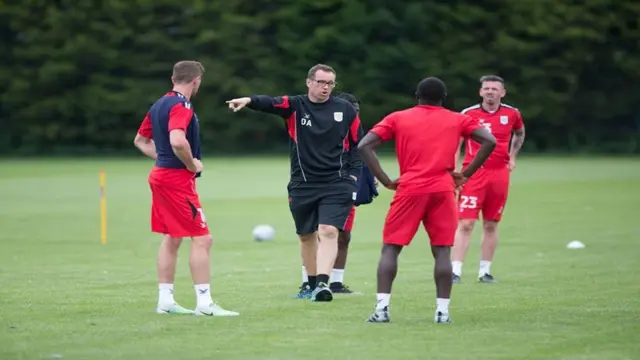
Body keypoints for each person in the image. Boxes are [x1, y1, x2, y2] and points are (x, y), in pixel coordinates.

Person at [357, 77, 496, 324]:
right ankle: (442, 312)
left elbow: (365, 145)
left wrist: (386, 179)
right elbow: (489, 140)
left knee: (391, 248)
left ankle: (382, 310)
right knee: (442, 250)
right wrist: (466, 175)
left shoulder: (398, 117)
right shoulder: (458, 118)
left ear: (417, 95)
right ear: (444, 97)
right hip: (443, 189)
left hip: (409, 188)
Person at [226, 64, 364, 302]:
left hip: (337, 182)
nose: (326, 87)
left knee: (328, 231)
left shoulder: (345, 110)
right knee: (306, 235)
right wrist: (249, 100)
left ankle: (323, 284)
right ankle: (310, 285)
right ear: (309, 82)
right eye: (321, 82)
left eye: (330, 83)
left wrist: (352, 177)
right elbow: (270, 103)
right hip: (303, 183)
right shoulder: (296, 106)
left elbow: (358, 146)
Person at [133, 60, 239, 316]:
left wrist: (164, 160)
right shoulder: (182, 105)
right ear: (196, 81)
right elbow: (177, 140)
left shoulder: (159, 103)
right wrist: (192, 165)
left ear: (173, 79)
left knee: (172, 236)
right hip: (176, 180)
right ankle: (204, 305)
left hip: (160, 175)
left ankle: (165, 301)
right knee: (203, 238)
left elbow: (140, 140)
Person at [295, 92, 378, 297]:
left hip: (343, 187)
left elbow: (363, 151)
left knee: (343, 235)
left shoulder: (355, 129)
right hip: (317, 184)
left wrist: (368, 176)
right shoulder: (324, 127)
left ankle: (336, 283)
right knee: (311, 233)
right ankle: (309, 282)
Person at [451, 75, 526, 284]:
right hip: (473, 174)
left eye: (494, 89)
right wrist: (455, 167)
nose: (490, 92)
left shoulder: (512, 114)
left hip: (499, 174)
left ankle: (485, 272)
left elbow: (519, 133)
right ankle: (455, 271)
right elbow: (456, 142)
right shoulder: (468, 114)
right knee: (465, 222)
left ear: (502, 92)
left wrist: (512, 156)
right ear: (480, 92)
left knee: (491, 223)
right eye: (486, 88)